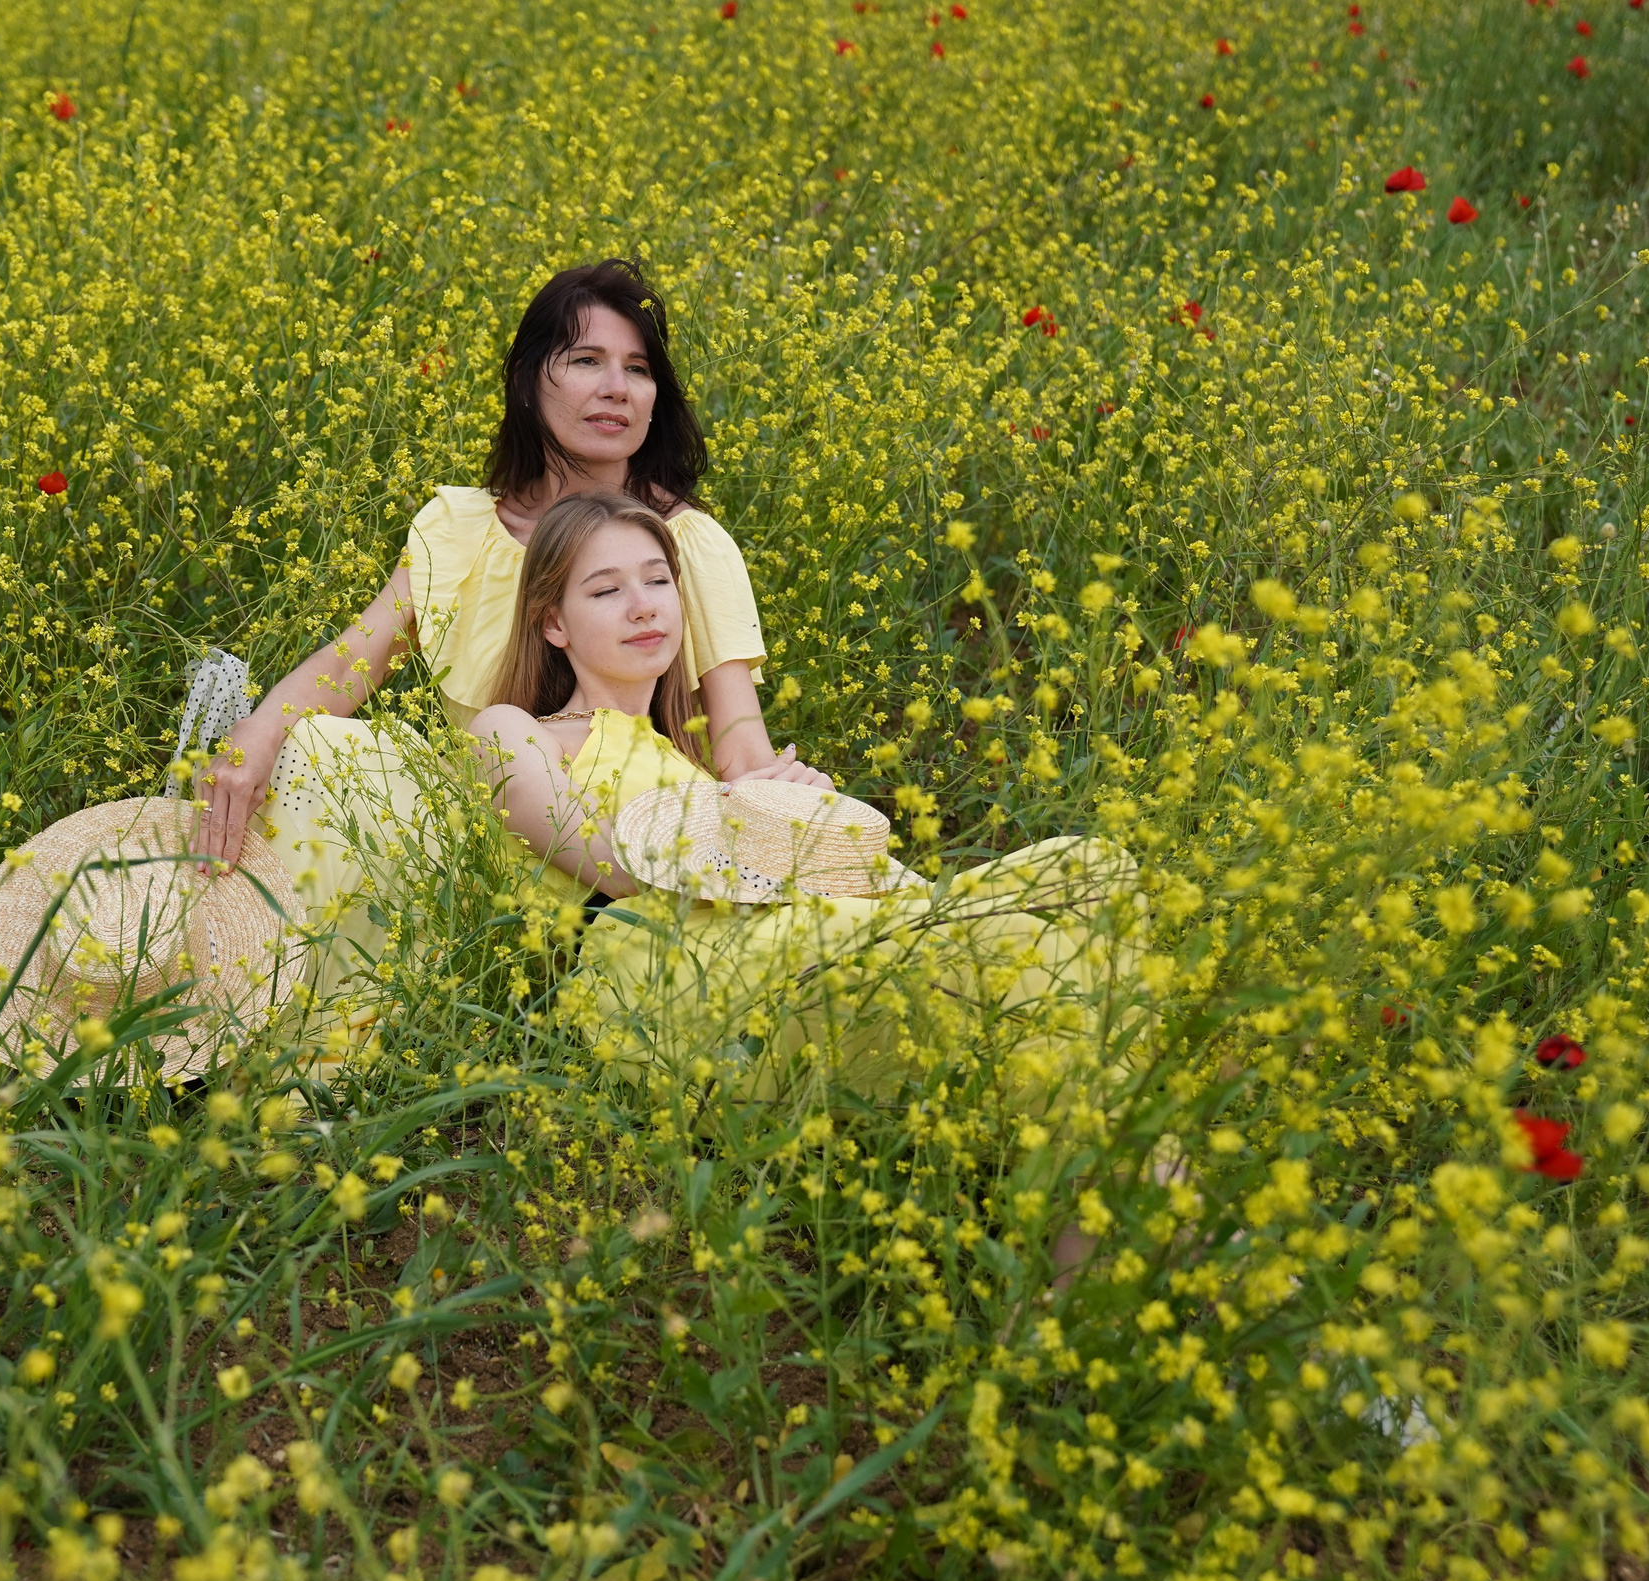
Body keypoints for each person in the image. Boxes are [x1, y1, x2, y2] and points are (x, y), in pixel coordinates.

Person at [470, 490, 1147, 1099]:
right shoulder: (514, 731)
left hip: (780, 940)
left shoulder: (699, 763)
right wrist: (751, 814)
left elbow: (781, 873)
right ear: (553, 623)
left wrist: (819, 829)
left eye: (657, 580)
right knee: (1001, 947)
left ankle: (1104, 1130)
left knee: (1094, 872)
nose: (644, 603)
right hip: (661, 966)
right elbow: (612, 863)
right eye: (606, 590)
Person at [187, 258, 828, 874]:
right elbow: (351, 662)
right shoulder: (460, 530)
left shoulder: (688, 542)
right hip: (481, 838)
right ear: (526, 381)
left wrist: (783, 794)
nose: (616, 387)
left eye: (637, 369)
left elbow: (741, 748)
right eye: (586, 361)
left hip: (634, 836)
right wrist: (258, 732)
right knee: (315, 746)